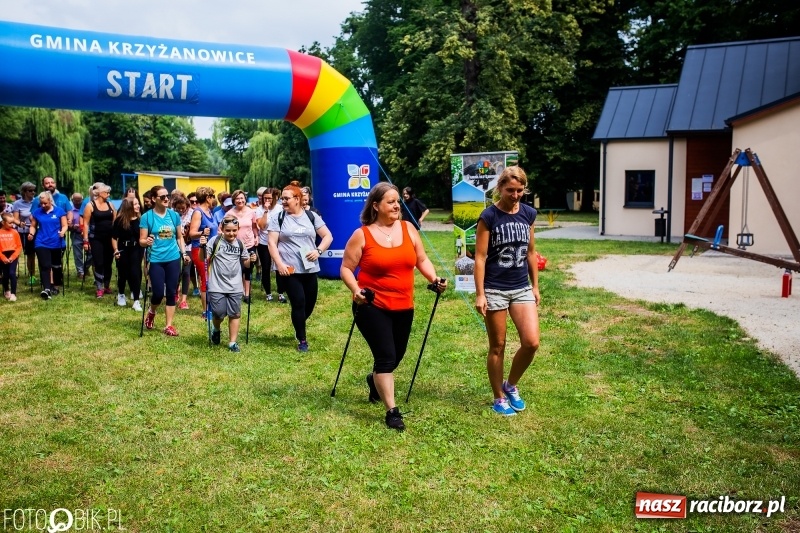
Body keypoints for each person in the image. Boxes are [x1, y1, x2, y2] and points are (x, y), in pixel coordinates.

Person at [340, 182, 447, 431]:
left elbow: (421, 259)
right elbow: (346, 268)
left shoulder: (408, 229)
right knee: (386, 357)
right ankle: (392, 411)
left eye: (398, 200)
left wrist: (434, 279)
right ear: (376, 206)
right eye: (390, 201)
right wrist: (356, 290)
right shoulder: (362, 235)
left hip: (403, 305)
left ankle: (374, 380)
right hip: (371, 305)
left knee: (396, 356)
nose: (397, 205)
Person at [473, 166, 540, 417]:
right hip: (495, 288)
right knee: (497, 346)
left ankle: (510, 384)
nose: (515, 195)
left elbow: (531, 252)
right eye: (510, 190)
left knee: (531, 342)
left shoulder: (528, 214)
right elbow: (479, 258)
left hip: (521, 286)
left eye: (520, 190)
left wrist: (535, 286)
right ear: (500, 188)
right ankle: (498, 398)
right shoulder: (489, 216)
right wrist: (480, 294)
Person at [267, 184, 333, 352]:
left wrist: (318, 251)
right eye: (282, 198)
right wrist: (279, 264)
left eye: (286, 198)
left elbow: (327, 236)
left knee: (309, 304)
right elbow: (272, 243)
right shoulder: (279, 217)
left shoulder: (311, 216)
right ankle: (302, 340)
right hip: (289, 270)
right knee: (299, 302)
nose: (283, 201)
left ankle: (299, 324)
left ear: (297, 199)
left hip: (310, 268)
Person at [139, 185, 190, 336]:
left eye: (167, 195)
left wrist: (184, 253)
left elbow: (179, 237)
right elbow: (141, 240)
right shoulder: (147, 217)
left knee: (171, 292)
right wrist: (146, 241)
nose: (166, 199)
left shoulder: (174, 216)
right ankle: (152, 311)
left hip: (173, 258)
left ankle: (168, 325)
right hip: (155, 259)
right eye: (162, 197)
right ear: (154, 199)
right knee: (158, 293)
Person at [206, 217, 257, 352]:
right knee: (218, 313)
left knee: (235, 314)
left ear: (238, 230)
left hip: (235, 285)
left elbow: (245, 263)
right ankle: (216, 329)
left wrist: (251, 260)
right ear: (222, 229)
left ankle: (232, 342)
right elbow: (202, 258)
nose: (231, 233)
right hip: (217, 285)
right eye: (228, 230)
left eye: (234, 230)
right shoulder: (215, 241)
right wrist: (201, 247)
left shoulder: (240, 244)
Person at [30, 191, 68, 299]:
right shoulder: (37, 212)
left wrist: (63, 232)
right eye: (41, 203)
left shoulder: (59, 211)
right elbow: (33, 226)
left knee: (56, 266)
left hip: (56, 242)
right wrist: (31, 234)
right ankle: (46, 288)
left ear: (50, 201)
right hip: (41, 242)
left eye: (45, 203)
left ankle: (54, 285)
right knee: (45, 265)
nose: (43, 205)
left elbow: (65, 225)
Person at [188, 186, 218, 319]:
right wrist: (202, 233)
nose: (214, 199)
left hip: (213, 250)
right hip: (200, 250)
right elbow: (192, 233)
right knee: (205, 279)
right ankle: (206, 310)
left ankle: (213, 307)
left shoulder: (210, 212)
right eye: (212, 196)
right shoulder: (198, 212)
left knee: (212, 279)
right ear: (207, 198)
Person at [83, 182, 116, 298]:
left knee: (108, 263)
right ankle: (99, 287)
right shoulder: (90, 205)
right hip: (96, 238)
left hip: (110, 238)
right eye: (107, 192)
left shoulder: (110, 205)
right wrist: (85, 240)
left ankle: (106, 285)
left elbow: (115, 221)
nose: (108, 194)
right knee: (99, 263)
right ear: (100, 193)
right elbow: (85, 223)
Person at [111, 198, 143, 312]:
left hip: (136, 249)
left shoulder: (140, 219)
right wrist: (115, 250)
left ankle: (136, 300)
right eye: (135, 204)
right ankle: (121, 294)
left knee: (135, 273)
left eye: (138, 203)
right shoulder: (120, 220)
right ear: (129, 206)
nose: (138, 205)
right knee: (123, 273)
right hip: (123, 249)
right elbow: (114, 238)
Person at [227, 189, 259, 303]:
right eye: (237, 198)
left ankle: (247, 293)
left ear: (245, 199)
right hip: (235, 245)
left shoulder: (251, 212)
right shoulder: (230, 213)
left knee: (248, 269)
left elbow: (254, 226)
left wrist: (256, 237)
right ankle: (239, 292)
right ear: (234, 200)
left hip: (249, 244)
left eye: (241, 198)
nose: (240, 200)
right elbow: (223, 229)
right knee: (238, 270)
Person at [171, 195, 194, 310]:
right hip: (174, 247)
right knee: (176, 272)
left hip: (188, 246)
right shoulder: (171, 214)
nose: (181, 210)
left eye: (183, 208)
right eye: (178, 208)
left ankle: (184, 300)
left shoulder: (192, 213)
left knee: (186, 271)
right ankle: (175, 290)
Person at [12, 182, 37, 283]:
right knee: (30, 254)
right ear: (24, 192)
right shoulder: (17, 204)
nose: (33, 192)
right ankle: (32, 276)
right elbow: (15, 219)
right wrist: (19, 223)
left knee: (38, 253)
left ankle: (41, 274)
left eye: (33, 190)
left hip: (38, 230)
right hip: (24, 231)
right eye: (30, 190)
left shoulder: (37, 201)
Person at [255, 187, 275, 301]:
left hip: (278, 242)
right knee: (266, 267)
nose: (267, 200)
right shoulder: (259, 210)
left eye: (269, 198)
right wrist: (266, 211)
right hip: (264, 242)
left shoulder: (279, 208)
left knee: (278, 267)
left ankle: (281, 292)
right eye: (265, 198)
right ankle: (268, 293)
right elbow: (261, 226)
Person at [66, 192, 91, 281]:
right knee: (77, 254)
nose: (77, 202)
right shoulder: (70, 210)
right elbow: (67, 224)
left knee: (91, 253)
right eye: (75, 201)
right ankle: (80, 271)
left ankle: (85, 267)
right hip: (76, 234)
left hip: (88, 234)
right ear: (72, 200)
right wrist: (72, 226)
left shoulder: (87, 207)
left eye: (79, 200)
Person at [0, 212, 23, 301]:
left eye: (13, 222)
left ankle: (13, 293)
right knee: (5, 275)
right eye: (10, 223)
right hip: (3, 256)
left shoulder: (15, 232)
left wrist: (13, 257)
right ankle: (7, 290)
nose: (12, 224)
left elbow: (19, 246)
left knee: (12, 273)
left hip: (13, 255)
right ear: (3, 222)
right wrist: (3, 258)